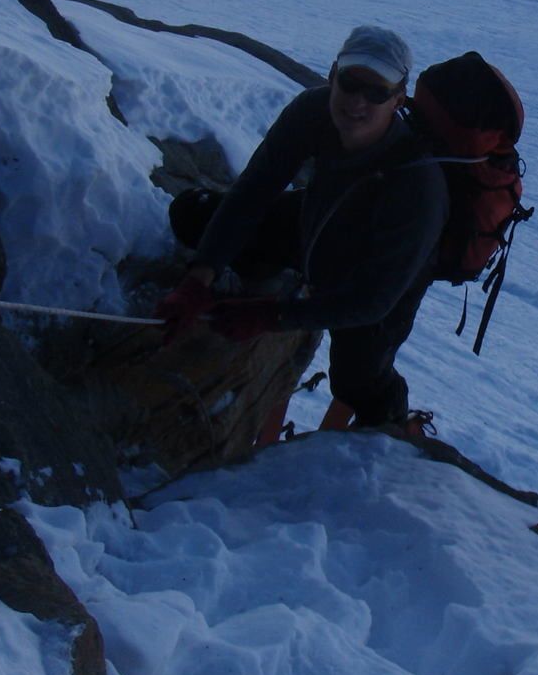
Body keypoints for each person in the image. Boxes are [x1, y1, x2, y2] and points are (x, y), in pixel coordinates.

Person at [155, 26, 448, 431]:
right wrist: (200, 277)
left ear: (398, 100)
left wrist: (271, 316)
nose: (359, 101)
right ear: (332, 75)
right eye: (351, 82)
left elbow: (374, 300)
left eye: (377, 92)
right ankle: (275, 276)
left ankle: (389, 432)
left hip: (379, 269)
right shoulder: (312, 112)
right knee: (192, 216)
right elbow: (253, 192)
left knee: (357, 379)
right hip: (315, 224)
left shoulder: (419, 185)